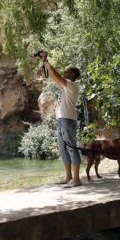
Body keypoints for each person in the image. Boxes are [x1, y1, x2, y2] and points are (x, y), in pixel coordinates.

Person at [39, 52, 82, 187]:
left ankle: (76, 179)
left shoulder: (72, 85)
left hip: (67, 120)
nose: (65, 72)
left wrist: (46, 60)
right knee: (63, 150)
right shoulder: (65, 86)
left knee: (71, 148)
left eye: (67, 71)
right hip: (61, 120)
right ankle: (68, 177)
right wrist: (45, 61)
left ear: (72, 75)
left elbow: (56, 75)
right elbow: (52, 76)